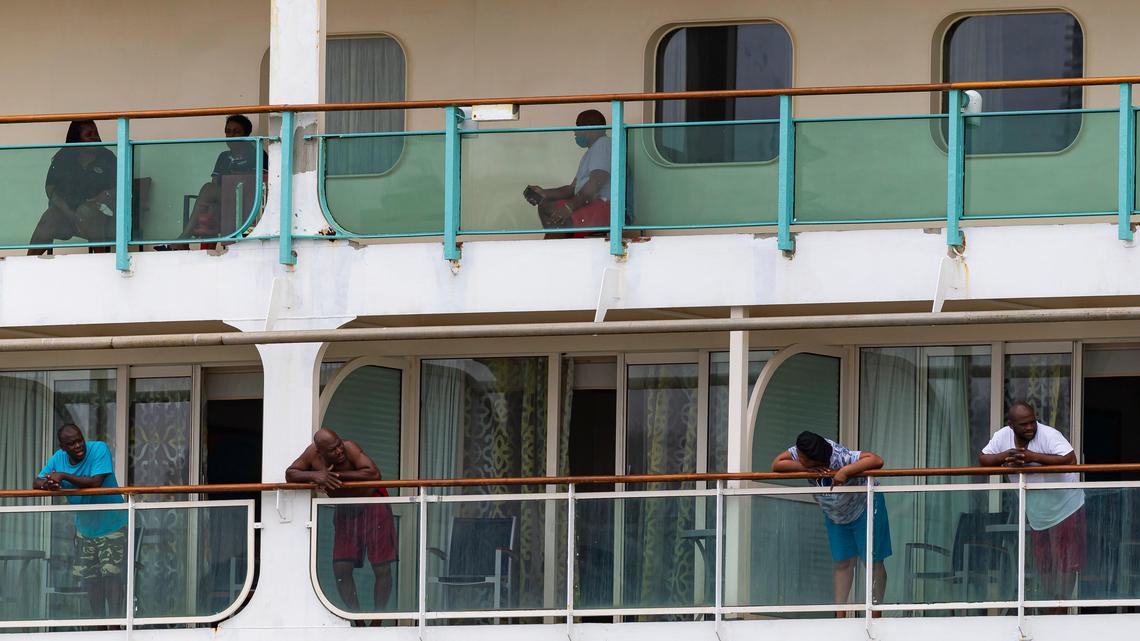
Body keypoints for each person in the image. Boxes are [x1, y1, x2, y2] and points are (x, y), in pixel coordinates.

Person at [979, 401, 1085, 605]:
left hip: (1066, 507)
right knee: (1044, 563)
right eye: (1024, 424)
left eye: (1032, 422)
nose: (1030, 427)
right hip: (1038, 514)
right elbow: (983, 459)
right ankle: (1048, 606)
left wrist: (1032, 457)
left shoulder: (1048, 434)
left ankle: (1061, 608)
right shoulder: (1003, 436)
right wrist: (1007, 456)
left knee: (1067, 564)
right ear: (1011, 425)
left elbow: (1070, 459)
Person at [772, 431, 890, 614]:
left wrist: (845, 471)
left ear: (817, 459)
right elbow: (777, 464)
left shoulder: (840, 456)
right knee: (842, 563)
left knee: (873, 562)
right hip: (836, 515)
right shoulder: (802, 451)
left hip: (865, 506)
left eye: (803, 459)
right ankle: (839, 614)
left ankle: (875, 614)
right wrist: (804, 469)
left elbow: (876, 460)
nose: (798, 458)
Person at [286, 428, 396, 615]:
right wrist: (315, 476)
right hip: (345, 511)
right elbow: (290, 474)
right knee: (341, 568)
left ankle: (378, 620)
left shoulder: (350, 447)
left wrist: (333, 476)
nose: (339, 451)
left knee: (381, 567)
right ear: (320, 452)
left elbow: (374, 474)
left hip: (373, 504)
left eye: (338, 445)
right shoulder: (312, 454)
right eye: (332, 450)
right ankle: (357, 619)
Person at [33, 423, 128, 618]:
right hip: (85, 528)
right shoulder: (58, 458)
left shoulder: (99, 448)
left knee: (112, 575)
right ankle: (99, 626)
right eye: (71, 443)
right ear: (63, 447)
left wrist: (63, 476)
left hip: (112, 523)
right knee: (90, 578)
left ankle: (116, 626)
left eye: (79, 440)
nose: (78, 445)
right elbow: (37, 481)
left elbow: (96, 482)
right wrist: (49, 483)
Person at [167, 114, 266, 249]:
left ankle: (183, 239)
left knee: (208, 189)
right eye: (228, 131)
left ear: (247, 135)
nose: (231, 135)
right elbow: (216, 183)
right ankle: (206, 251)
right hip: (225, 201)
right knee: (210, 204)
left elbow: (259, 184)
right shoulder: (224, 157)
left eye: (236, 132)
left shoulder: (257, 153)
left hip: (247, 201)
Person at [29, 120, 117, 255]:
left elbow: (119, 186)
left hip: (101, 214)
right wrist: (67, 211)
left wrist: (103, 197)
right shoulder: (63, 157)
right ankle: (27, 265)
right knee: (49, 218)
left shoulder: (107, 157)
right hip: (67, 214)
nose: (95, 137)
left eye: (96, 133)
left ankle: (102, 262)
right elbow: (51, 189)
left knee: (87, 211)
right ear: (77, 138)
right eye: (89, 134)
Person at [524, 109, 610, 236]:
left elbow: (596, 181)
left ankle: (555, 250)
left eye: (579, 126)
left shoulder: (603, 144)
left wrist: (570, 206)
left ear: (592, 127)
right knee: (545, 204)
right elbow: (572, 189)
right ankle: (555, 247)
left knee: (556, 213)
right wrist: (544, 193)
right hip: (589, 203)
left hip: (602, 207)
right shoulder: (590, 152)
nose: (575, 131)